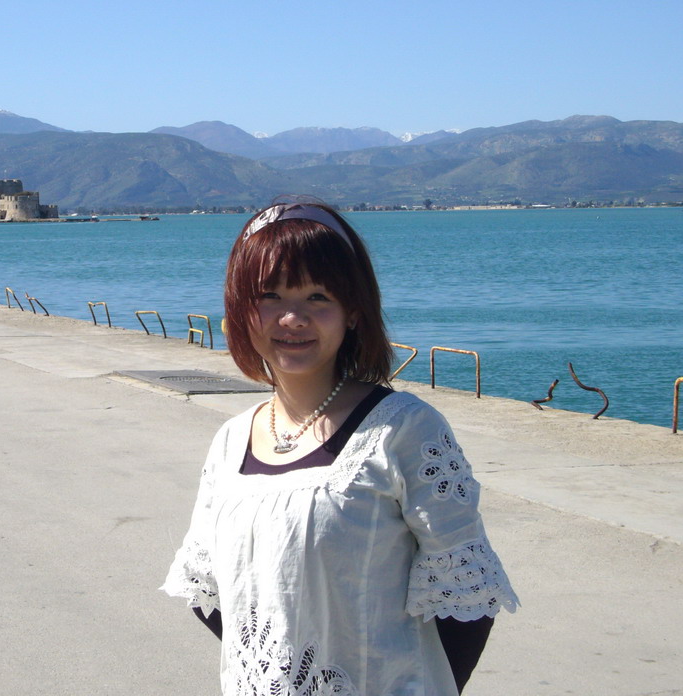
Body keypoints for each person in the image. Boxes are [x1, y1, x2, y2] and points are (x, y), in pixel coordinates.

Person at [161, 200, 518, 696]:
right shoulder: (230, 442)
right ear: (242, 310)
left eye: (318, 297)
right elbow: (209, 592)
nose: (292, 318)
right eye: (270, 295)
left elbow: (468, 597)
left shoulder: (403, 431)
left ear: (353, 312)